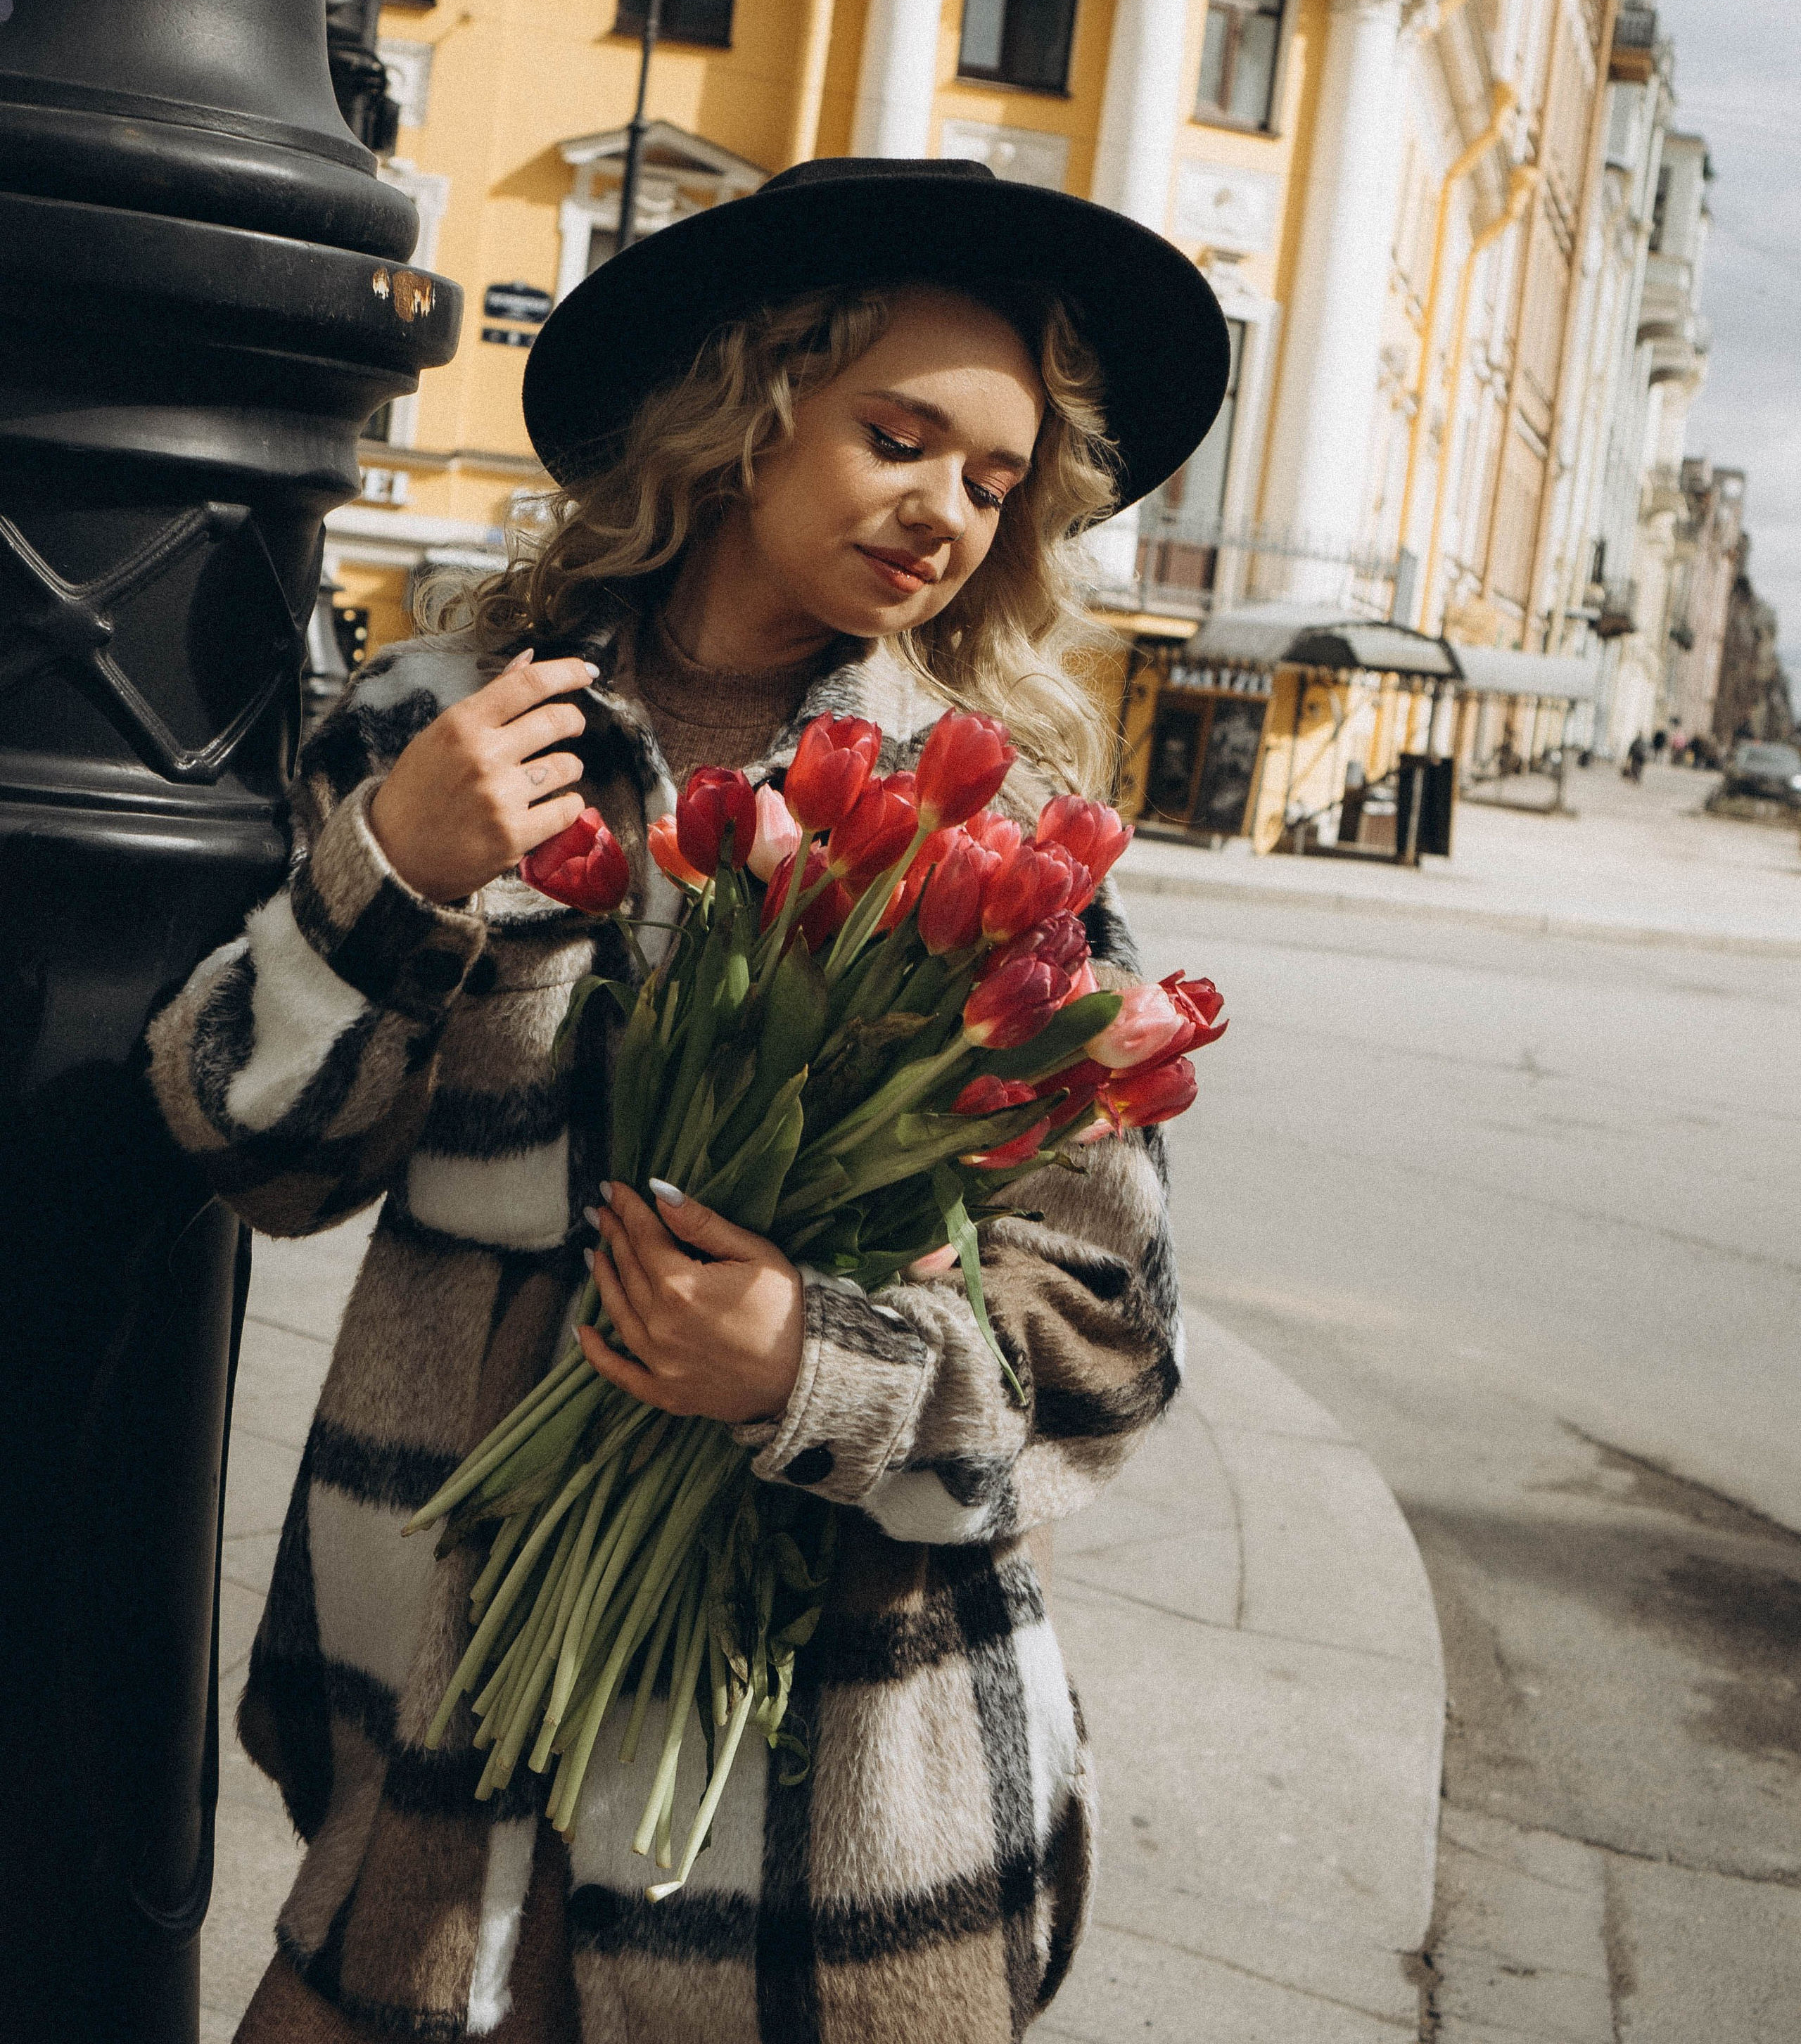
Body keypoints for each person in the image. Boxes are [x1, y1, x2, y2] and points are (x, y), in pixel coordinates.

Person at [147, 158, 1230, 2044]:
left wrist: (811, 1357)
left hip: (824, 1808)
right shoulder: (453, 728)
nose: (946, 516)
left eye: (994, 482)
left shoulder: (996, 837)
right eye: (901, 437)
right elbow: (251, 1148)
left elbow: (1109, 1334)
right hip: (438, 1743)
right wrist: (392, 871)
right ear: (751, 409)